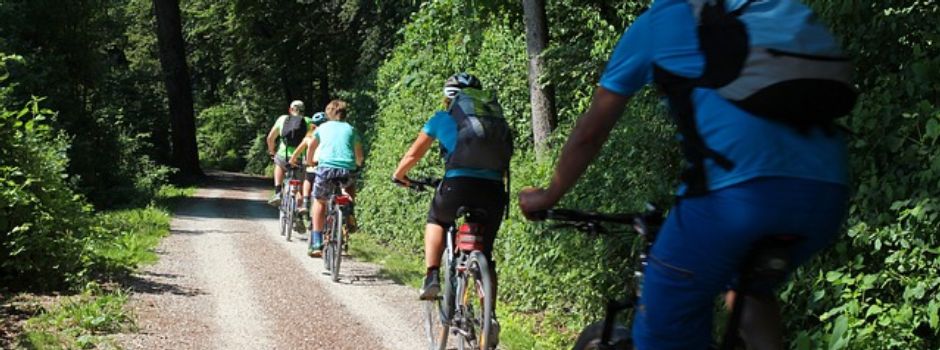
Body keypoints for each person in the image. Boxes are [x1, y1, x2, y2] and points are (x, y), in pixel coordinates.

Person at [518, 1, 851, 349]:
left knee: (662, 330)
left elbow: (591, 132)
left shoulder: (659, 21)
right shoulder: (765, 9)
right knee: (749, 291)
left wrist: (547, 195)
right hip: (826, 193)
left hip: (735, 199)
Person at [392, 73, 511, 345]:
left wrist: (400, 175)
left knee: (437, 218)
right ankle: (489, 313)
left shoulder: (442, 118)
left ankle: (432, 274)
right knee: (485, 253)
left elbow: (414, 154)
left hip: (457, 185)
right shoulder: (495, 120)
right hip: (493, 190)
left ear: (449, 97)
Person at [301, 100, 364, 257]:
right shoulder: (351, 129)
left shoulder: (322, 128)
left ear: (328, 114)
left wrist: (309, 162)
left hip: (326, 169)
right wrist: (358, 163)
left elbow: (312, 147)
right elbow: (359, 155)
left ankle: (316, 242)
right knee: (349, 185)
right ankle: (349, 211)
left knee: (320, 201)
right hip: (346, 169)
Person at [266, 100, 313, 207]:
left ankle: (278, 192)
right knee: (299, 189)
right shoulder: (309, 121)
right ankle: (300, 210)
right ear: (303, 111)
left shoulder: (282, 119)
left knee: (278, 163)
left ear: (290, 110)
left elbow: (270, 138)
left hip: (284, 156)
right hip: (301, 158)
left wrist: (272, 152)